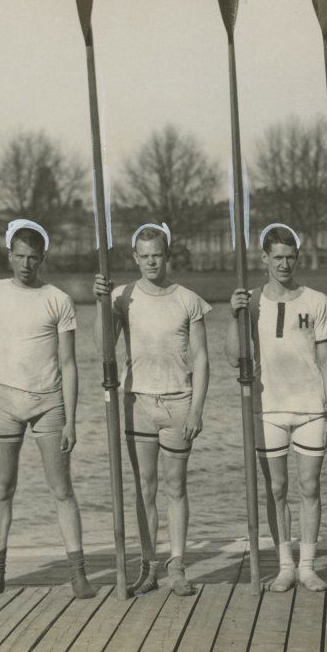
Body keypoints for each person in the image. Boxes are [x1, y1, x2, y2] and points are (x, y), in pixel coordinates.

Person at [0, 219, 95, 600]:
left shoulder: (58, 299)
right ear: (9, 256)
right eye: (19, 256)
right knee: (2, 488)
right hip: (4, 401)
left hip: (49, 403)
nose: (26, 264)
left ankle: (78, 573)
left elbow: (69, 364)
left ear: (43, 258)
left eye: (33, 257)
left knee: (62, 488)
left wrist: (71, 419)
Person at [92, 222, 209, 597]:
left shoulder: (187, 299)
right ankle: (149, 564)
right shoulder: (123, 296)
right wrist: (100, 304)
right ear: (135, 258)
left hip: (178, 401)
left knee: (176, 486)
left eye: (157, 255)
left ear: (167, 255)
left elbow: (203, 359)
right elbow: (103, 347)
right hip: (138, 400)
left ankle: (177, 565)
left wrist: (196, 410)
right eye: (144, 257)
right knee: (145, 486)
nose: (151, 262)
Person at [227, 224, 327, 592]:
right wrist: (235, 315)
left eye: (291, 257)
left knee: (309, 486)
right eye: (277, 257)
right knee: (277, 488)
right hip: (269, 408)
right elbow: (233, 358)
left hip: (310, 408)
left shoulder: (316, 302)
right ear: (264, 258)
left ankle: (307, 566)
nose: (285, 264)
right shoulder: (252, 302)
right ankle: (285, 565)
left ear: (298, 257)